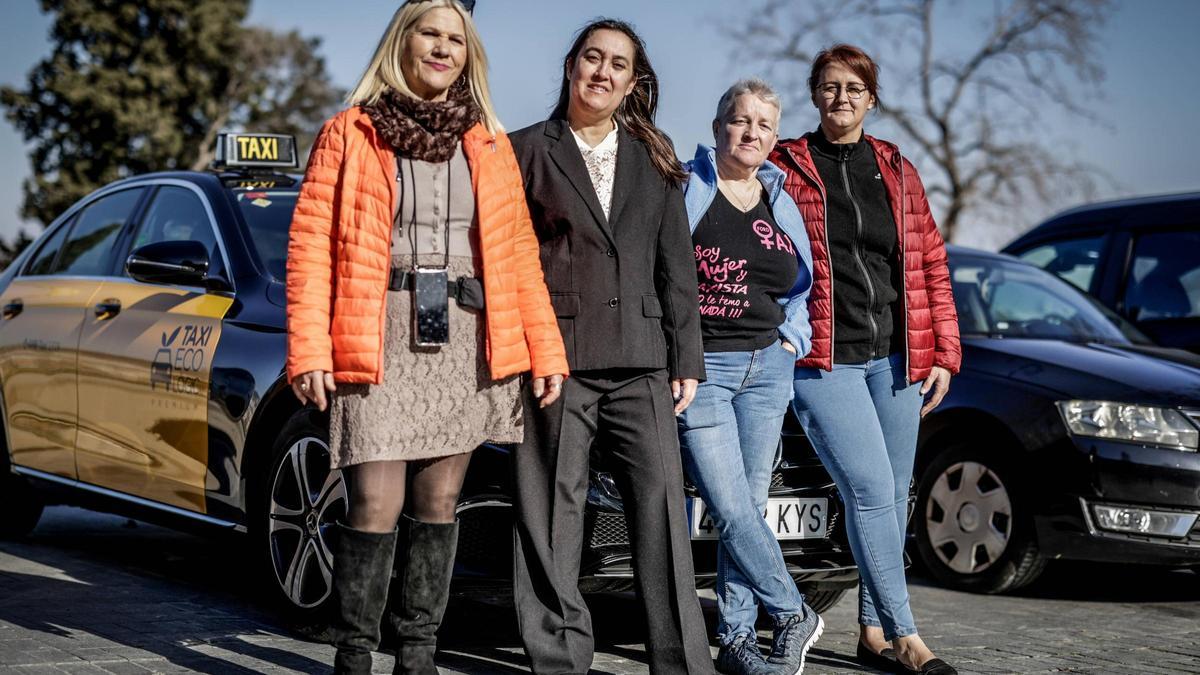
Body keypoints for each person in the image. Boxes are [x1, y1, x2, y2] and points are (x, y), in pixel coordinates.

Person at [284, 2, 568, 673]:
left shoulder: (489, 142)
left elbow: (518, 252)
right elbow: (309, 246)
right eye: (430, 34)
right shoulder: (349, 131)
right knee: (374, 503)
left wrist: (545, 347)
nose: (443, 48)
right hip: (377, 333)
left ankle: (417, 656)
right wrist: (308, 348)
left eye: (456, 39)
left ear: (469, 54)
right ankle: (354, 655)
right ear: (401, 42)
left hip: (464, 340)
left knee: (439, 502)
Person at [508, 18, 714, 675]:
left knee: (659, 511)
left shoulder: (656, 155)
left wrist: (687, 357)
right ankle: (559, 657)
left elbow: (676, 265)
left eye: (617, 64)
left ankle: (679, 661)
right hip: (557, 362)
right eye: (592, 58)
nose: (602, 71)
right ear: (571, 66)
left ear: (632, 81)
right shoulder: (524, 151)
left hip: (644, 359)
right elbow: (507, 262)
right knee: (551, 517)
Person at [770, 44, 961, 675]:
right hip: (825, 360)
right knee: (873, 490)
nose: (841, 97)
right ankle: (909, 636)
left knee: (893, 496)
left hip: (897, 358)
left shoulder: (897, 169)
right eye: (829, 87)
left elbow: (930, 260)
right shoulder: (784, 167)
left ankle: (872, 632)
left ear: (871, 98)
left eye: (854, 88)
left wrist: (943, 352)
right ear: (814, 95)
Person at [678, 79, 819, 675]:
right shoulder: (687, 187)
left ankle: (737, 639)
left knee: (751, 507)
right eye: (740, 121)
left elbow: (802, 283)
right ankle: (792, 611)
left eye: (764, 125)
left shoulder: (780, 198)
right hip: (704, 370)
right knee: (732, 507)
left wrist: (794, 340)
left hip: (768, 367)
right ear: (718, 128)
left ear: (774, 137)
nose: (751, 133)